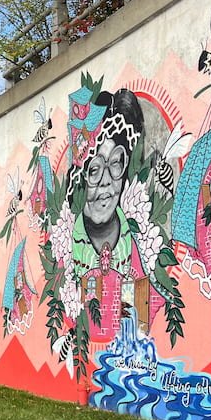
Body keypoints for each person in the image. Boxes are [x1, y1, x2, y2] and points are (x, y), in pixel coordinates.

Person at [72, 89, 144, 279]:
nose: (105, 181)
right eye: (94, 170)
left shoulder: (138, 242)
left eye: (114, 163)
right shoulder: (70, 243)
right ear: (81, 179)